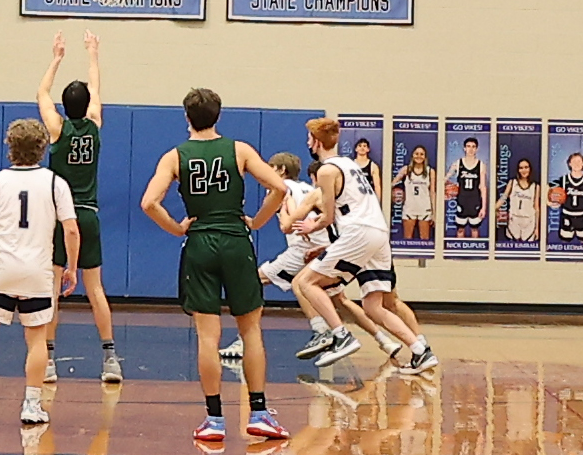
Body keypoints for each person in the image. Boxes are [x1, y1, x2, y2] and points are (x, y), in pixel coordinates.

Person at [140, 88, 290, 443]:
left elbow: (149, 202)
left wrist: (177, 227)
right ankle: (258, 414)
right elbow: (279, 188)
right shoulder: (239, 150)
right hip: (236, 241)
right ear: (218, 116)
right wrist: (257, 222)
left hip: (200, 244)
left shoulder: (174, 156)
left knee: (208, 336)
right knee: (250, 330)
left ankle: (214, 419)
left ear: (187, 117)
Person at [219, 153, 402, 363]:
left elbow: (286, 225)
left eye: (271, 167)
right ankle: (384, 341)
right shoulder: (307, 188)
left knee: (254, 280)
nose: (267, 171)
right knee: (339, 299)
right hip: (326, 247)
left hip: (302, 250)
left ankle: (312, 332)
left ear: (281, 170)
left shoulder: (279, 189)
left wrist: (252, 220)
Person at [0, 119, 80, 425]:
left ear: (10, 146)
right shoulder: (56, 183)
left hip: (2, 266)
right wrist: (72, 267)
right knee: (36, 339)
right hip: (38, 272)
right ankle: (32, 405)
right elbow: (71, 230)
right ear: (43, 148)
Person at [292, 118, 438, 375]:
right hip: (378, 233)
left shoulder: (326, 171)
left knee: (305, 282)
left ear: (316, 142)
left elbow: (327, 217)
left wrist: (310, 227)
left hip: (358, 231)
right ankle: (420, 350)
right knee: (373, 306)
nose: (307, 142)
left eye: (309, 138)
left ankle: (340, 335)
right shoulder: (350, 164)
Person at [36, 30, 121, 384]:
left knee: (53, 288)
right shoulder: (95, 125)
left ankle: (49, 360)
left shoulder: (57, 129)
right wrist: (92, 53)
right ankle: (111, 359)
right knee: (95, 289)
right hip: (88, 215)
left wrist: (56, 57)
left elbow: (42, 94)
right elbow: (96, 88)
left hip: (59, 217)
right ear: (87, 106)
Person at [444, 138, 486, 239]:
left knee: (474, 229)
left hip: (475, 201)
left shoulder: (481, 165)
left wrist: (484, 207)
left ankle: (474, 248)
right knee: (460, 229)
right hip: (462, 201)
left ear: (477, 149)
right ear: (464, 148)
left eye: (473, 147)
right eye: (468, 146)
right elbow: (444, 179)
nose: (471, 149)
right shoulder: (458, 163)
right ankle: (459, 248)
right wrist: (445, 190)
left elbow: (483, 187)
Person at [392, 145, 435, 241]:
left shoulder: (430, 171)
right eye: (416, 154)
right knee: (407, 239)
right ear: (412, 155)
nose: (419, 156)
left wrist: (434, 213)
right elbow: (392, 184)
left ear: (425, 157)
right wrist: (395, 193)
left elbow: (432, 192)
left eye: (421, 154)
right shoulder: (406, 170)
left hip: (424, 208)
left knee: (425, 240)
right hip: (409, 208)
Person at [554, 153, 583, 244]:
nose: (576, 164)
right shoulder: (563, 180)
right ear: (569, 164)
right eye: (574, 161)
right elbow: (548, 189)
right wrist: (552, 202)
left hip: (582, 217)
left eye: (579, 161)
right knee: (565, 244)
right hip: (567, 216)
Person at [498, 159, 539, 243]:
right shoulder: (512, 183)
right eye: (521, 168)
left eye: (526, 167)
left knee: (527, 248)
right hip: (514, 221)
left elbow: (536, 208)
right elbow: (503, 198)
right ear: (518, 170)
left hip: (529, 222)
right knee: (513, 246)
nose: (524, 170)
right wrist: (494, 208)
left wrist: (537, 228)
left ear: (530, 169)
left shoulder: (535, 186)